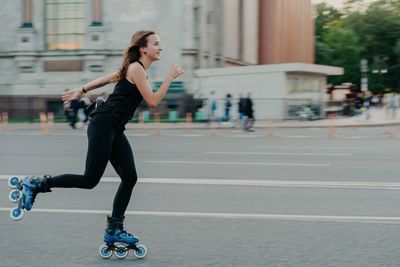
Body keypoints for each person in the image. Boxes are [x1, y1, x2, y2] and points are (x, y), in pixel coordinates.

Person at [15, 30, 184, 245]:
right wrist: (169, 77)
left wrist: (82, 89)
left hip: (113, 127)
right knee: (89, 180)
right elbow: (152, 101)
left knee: (130, 178)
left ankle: (114, 228)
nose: (160, 48)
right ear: (143, 48)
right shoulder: (136, 69)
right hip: (104, 124)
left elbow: (108, 78)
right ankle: (36, 184)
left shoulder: (131, 69)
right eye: (156, 44)